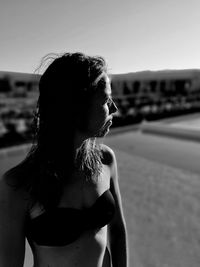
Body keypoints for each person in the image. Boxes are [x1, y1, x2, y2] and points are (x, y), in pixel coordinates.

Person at [0, 52, 129, 267]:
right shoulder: (18, 186)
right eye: (106, 100)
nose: (114, 108)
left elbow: (117, 232)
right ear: (76, 107)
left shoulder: (106, 159)